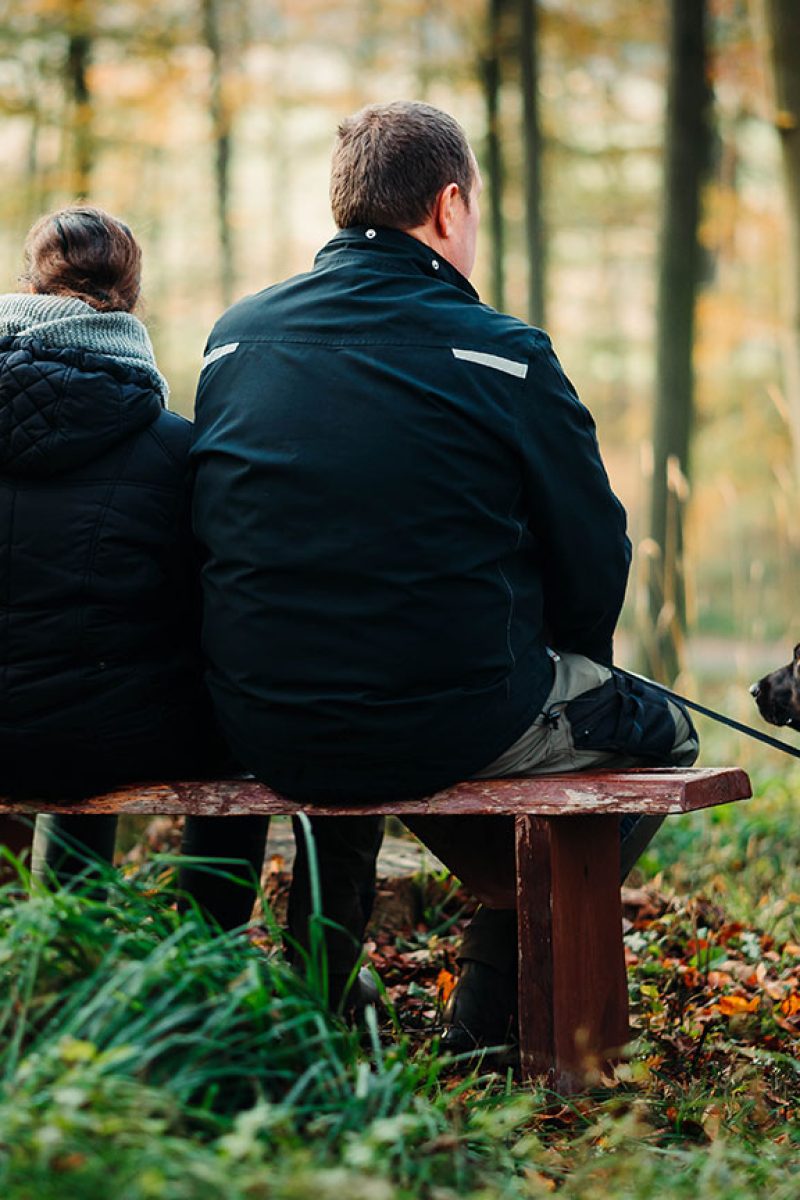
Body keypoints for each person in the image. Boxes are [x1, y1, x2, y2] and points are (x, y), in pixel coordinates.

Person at [191, 101, 699, 1049]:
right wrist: (570, 662)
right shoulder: (506, 353)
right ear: (449, 205)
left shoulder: (234, 339)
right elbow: (594, 555)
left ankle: (318, 1012)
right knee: (662, 735)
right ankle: (494, 1007)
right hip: (454, 717)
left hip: (261, 716)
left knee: (345, 728)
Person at [0, 204, 266, 926]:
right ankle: (204, 954)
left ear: (29, 282)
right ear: (132, 300)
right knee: (239, 734)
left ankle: (60, 939)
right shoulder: (178, 450)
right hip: (120, 735)